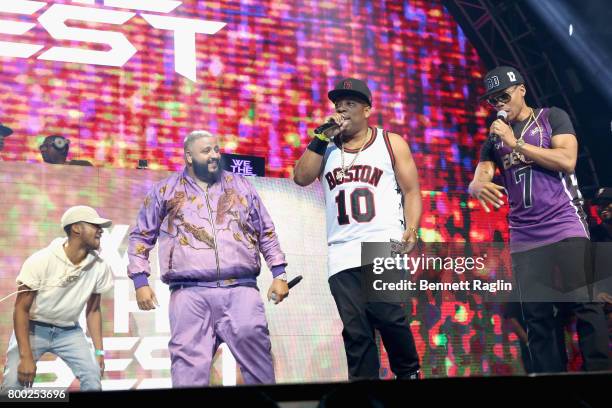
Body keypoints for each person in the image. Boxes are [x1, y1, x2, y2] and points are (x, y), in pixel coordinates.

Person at [468, 65, 610, 372]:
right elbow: (482, 175)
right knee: (537, 315)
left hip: (564, 224)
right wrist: (476, 184)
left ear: (521, 90)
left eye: (503, 95)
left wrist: (516, 143)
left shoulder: (551, 117)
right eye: (493, 100)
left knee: (586, 304)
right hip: (524, 235)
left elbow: (567, 161)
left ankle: (600, 376)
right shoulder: (494, 141)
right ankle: (550, 382)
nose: (499, 104)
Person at [127, 130, 289, 387]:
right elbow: (140, 236)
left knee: (260, 369)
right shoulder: (166, 190)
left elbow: (265, 231)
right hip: (190, 294)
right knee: (188, 374)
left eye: (216, 149)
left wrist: (279, 274)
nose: (214, 155)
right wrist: (140, 280)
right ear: (188, 156)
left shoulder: (241, 185)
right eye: (206, 151)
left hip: (241, 289)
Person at [293, 78, 422, 380]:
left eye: (350, 103)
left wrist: (413, 228)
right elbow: (300, 177)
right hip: (341, 252)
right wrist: (320, 139)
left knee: (390, 317)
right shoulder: (326, 148)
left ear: (367, 109)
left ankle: (409, 374)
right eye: (339, 104)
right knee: (357, 334)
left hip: (382, 244)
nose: (342, 109)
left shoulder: (390, 142)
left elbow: (412, 190)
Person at [1, 206, 114, 391]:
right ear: (76, 228)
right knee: (12, 387)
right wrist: (25, 355)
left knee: (93, 377)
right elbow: (21, 309)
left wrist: (99, 351)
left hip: (69, 331)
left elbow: (93, 310)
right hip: (33, 328)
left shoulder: (100, 267)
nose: (100, 230)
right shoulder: (40, 260)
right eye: (95, 226)